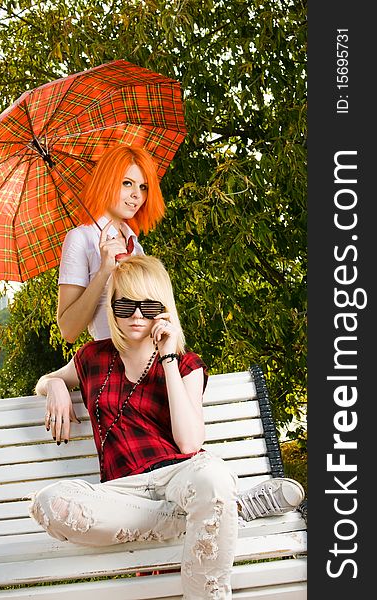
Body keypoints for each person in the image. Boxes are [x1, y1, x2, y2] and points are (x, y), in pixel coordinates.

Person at [29, 255, 305, 600]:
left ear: (163, 310)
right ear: (112, 306)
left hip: (182, 475)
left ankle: (213, 514)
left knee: (213, 478)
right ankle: (229, 510)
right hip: (124, 491)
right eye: (125, 305)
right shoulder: (93, 357)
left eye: (148, 307)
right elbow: (48, 379)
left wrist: (169, 357)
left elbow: (189, 444)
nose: (135, 316)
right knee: (51, 504)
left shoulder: (187, 365)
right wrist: (54, 385)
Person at [57, 144, 165, 343]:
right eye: (127, 183)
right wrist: (104, 271)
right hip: (110, 363)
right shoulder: (81, 238)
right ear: (106, 182)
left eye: (143, 187)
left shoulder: (136, 246)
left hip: (149, 358)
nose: (137, 195)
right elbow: (69, 331)